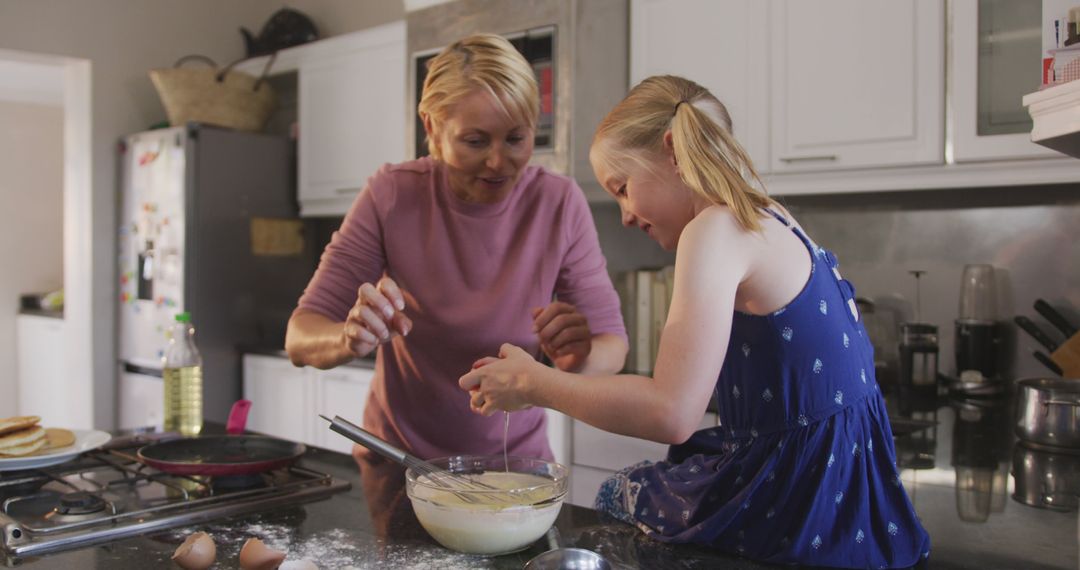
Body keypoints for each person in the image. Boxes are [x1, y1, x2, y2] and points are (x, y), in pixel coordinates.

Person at [459, 75, 931, 568]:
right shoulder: (770, 216)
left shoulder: (713, 230)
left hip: (797, 497)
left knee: (620, 492)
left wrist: (535, 383)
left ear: (671, 152)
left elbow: (671, 413)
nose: (623, 215)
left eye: (623, 189)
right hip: (852, 496)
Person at [285, 33, 627, 464]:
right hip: (399, 464)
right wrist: (347, 337)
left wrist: (577, 360)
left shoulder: (558, 202)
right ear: (432, 127)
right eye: (476, 141)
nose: (498, 163)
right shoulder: (391, 195)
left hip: (514, 467)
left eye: (516, 138)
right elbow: (300, 337)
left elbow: (612, 347)